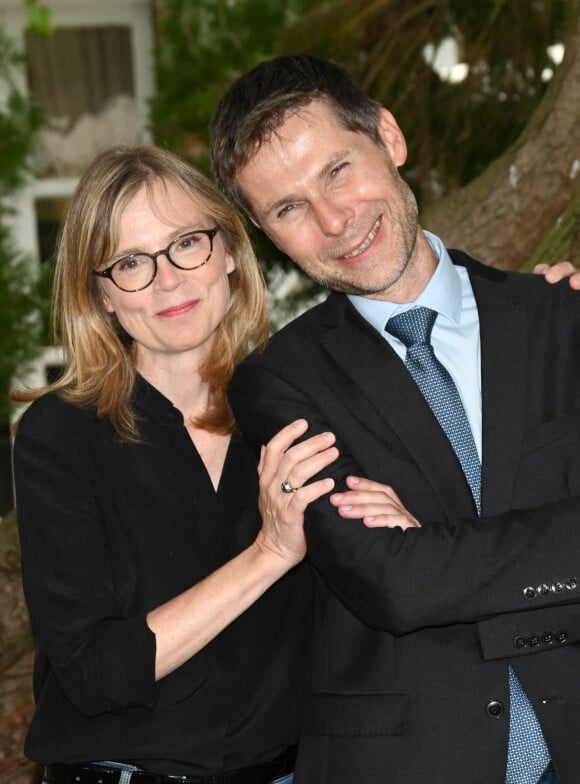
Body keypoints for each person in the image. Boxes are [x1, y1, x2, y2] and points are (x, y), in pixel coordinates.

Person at [210, 54, 580, 784]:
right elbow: (394, 586)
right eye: (287, 209)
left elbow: (419, 570)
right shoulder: (277, 385)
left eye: (337, 170)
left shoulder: (561, 320)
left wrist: (432, 549)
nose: (333, 220)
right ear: (264, 233)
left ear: (389, 136)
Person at [11, 145, 400, 784]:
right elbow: (96, 671)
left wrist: (538, 303)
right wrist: (269, 553)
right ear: (101, 294)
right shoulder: (61, 435)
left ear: (226, 252)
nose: (169, 280)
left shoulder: (303, 405)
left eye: (186, 243)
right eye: (131, 262)